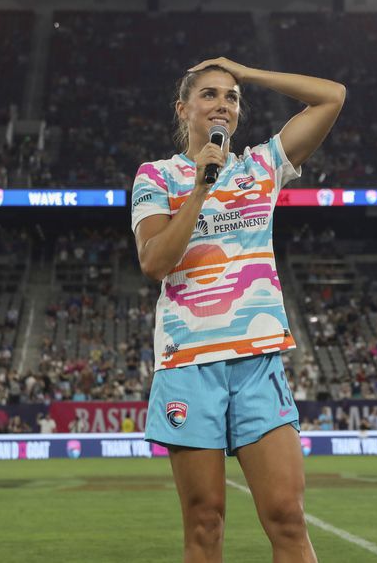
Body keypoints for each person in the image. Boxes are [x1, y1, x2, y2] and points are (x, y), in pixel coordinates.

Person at [132, 56, 344, 563]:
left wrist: (245, 73)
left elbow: (331, 95)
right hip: (188, 366)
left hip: (257, 362)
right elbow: (155, 262)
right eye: (209, 95)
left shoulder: (262, 165)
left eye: (231, 97)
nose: (222, 104)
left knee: (288, 520)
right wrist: (202, 184)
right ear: (183, 109)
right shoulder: (156, 176)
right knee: (205, 526)